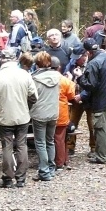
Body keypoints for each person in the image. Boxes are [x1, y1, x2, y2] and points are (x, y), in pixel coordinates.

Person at [0, 50, 38, 187]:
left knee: (7, 146)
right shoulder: (25, 75)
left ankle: (8, 178)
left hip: (4, 117)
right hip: (22, 116)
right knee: (22, 145)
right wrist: (26, 105)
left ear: (2, 60)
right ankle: (21, 179)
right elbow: (34, 96)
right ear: (15, 59)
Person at [76, 38, 106, 166]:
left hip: (100, 101)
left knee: (100, 129)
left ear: (88, 52)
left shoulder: (93, 63)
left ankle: (102, 156)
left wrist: (79, 77)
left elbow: (91, 85)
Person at [30, 52, 61, 182]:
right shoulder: (57, 76)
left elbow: (31, 97)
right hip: (53, 113)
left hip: (39, 114)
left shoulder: (34, 79)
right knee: (50, 141)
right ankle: (51, 169)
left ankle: (44, 171)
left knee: (40, 143)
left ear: (37, 64)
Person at [52, 57, 77, 170]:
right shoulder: (65, 81)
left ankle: (50, 161)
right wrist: (71, 80)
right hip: (60, 113)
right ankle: (60, 162)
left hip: (44, 113)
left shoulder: (41, 78)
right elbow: (71, 96)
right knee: (59, 139)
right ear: (59, 67)